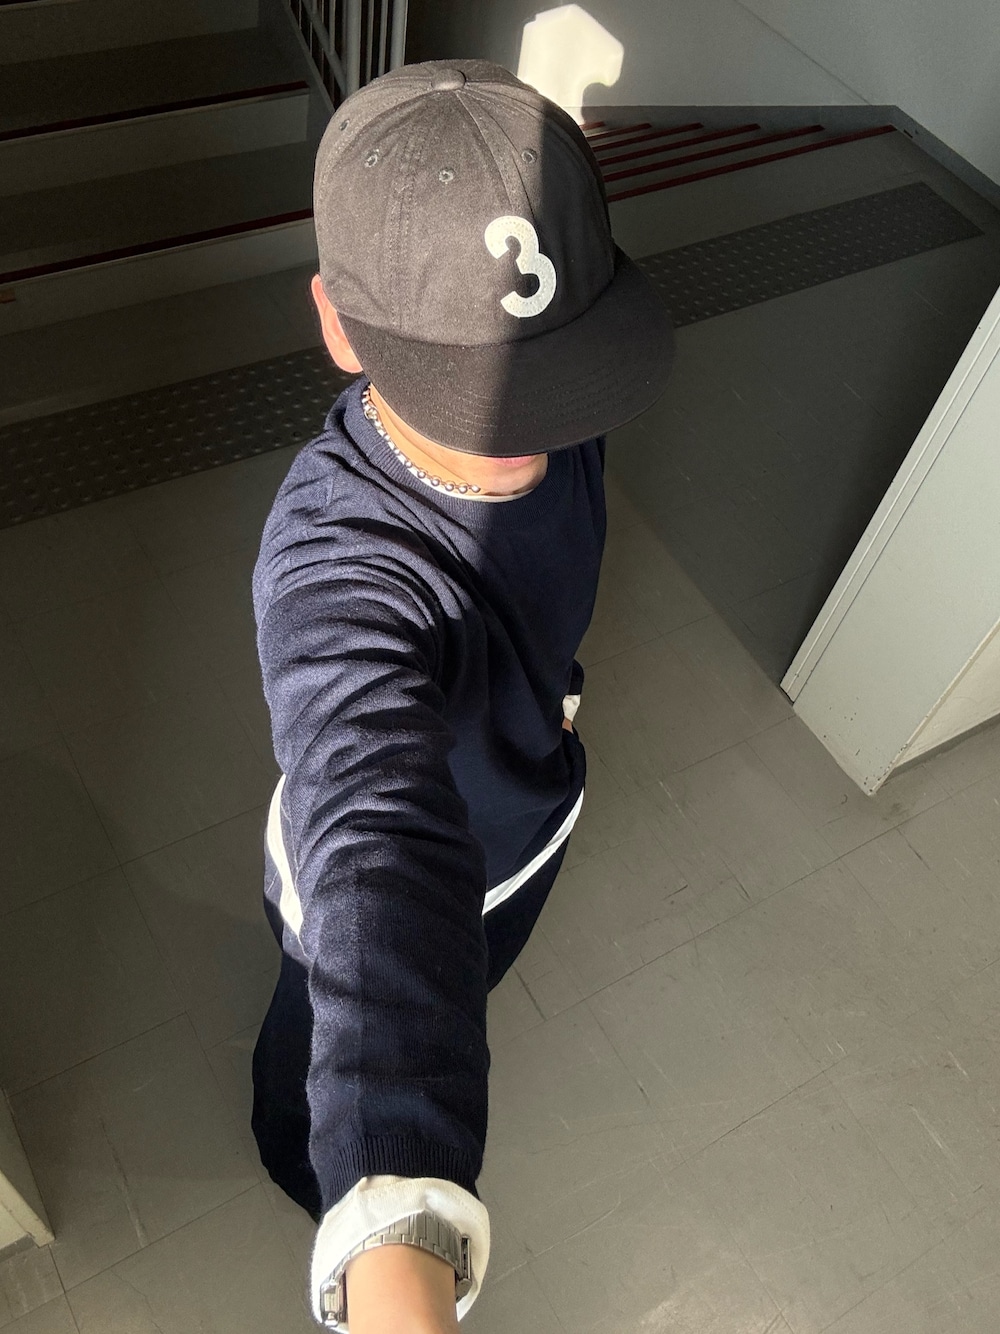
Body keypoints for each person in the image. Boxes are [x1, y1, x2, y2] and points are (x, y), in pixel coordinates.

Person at [249, 58, 674, 1332]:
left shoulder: (569, 404)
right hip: (366, 896)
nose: (525, 436)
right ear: (338, 327)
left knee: (473, 963)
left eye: (558, 376)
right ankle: (298, 1157)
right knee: (318, 1030)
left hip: (525, 819)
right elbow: (373, 844)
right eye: (470, 395)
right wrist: (393, 1219)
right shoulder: (334, 566)